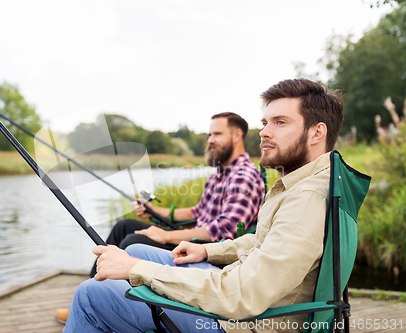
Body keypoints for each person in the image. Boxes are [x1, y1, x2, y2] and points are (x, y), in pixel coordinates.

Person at [63, 78, 344, 333]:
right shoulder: (300, 184)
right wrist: (203, 247)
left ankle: (104, 310)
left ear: (316, 133)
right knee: (134, 246)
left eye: (279, 122)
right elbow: (259, 241)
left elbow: (242, 291)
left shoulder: (305, 197)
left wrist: (142, 265)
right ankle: (115, 310)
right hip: (240, 289)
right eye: (264, 123)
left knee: (91, 294)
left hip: (245, 321)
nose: (264, 133)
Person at [55, 112, 265, 324]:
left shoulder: (243, 176)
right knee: (124, 226)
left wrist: (166, 235)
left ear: (237, 135)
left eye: (217, 134)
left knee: (131, 242)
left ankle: (116, 307)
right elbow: (197, 212)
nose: (210, 140)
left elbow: (223, 230)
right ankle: (91, 292)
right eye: (210, 134)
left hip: (206, 251)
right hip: (192, 240)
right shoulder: (220, 174)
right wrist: (154, 210)